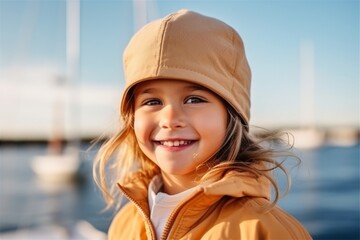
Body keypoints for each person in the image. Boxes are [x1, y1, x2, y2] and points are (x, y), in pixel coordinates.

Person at [93, 9, 312, 240]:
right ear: (132, 118)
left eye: (194, 99)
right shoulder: (124, 225)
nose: (169, 119)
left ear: (231, 115)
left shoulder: (265, 230)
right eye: (152, 101)